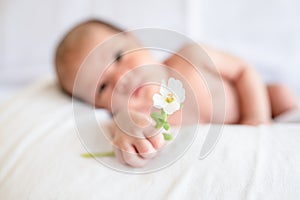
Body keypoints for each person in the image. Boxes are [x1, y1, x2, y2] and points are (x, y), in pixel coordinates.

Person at [54, 19, 298, 167]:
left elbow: (243, 71)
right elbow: (125, 126)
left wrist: (256, 117)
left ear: (134, 39)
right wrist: (130, 134)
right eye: (102, 86)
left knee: (281, 94)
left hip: (258, 110)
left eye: (118, 57)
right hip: (228, 150)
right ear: (97, 105)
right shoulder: (134, 114)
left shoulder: (190, 58)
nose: (121, 79)